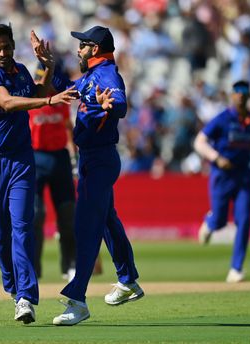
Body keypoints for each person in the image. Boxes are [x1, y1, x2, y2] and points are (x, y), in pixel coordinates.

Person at [38, 26, 144, 326]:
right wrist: (50, 66)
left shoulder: (107, 74)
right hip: (93, 159)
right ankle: (128, 280)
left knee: (86, 227)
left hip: (99, 160)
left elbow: (119, 100)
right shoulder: (91, 76)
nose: (78, 50)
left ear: (94, 49)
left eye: (82, 45)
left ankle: (78, 300)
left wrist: (115, 107)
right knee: (107, 220)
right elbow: (68, 89)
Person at [0, 24, 76, 325]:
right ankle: (13, 285)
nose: (2, 53)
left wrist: (49, 65)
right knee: (3, 234)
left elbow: (41, 91)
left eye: (6, 47)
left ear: (13, 45)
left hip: (21, 160)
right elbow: (7, 102)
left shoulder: (20, 71)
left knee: (23, 226)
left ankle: (26, 298)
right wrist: (48, 101)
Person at [194, 80, 250, 283]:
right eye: (237, 92)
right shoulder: (222, 119)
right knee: (221, 221)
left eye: (244, 92)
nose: (240, 95)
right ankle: (210, 222)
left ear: (248, 96)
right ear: (232, 96)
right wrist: (216, 158)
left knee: (244, 220)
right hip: (222, 176)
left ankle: (236, 268)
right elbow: (199, 142)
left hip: (244, 175)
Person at [28, 64, 77, 282]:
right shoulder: (30, 102)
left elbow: (68, 128)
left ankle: (70, 265)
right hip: (35, 159)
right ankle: (34, 270)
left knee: (67, 215)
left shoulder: (61, 101)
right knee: (36, 215)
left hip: (59, 159)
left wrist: (73, 156)